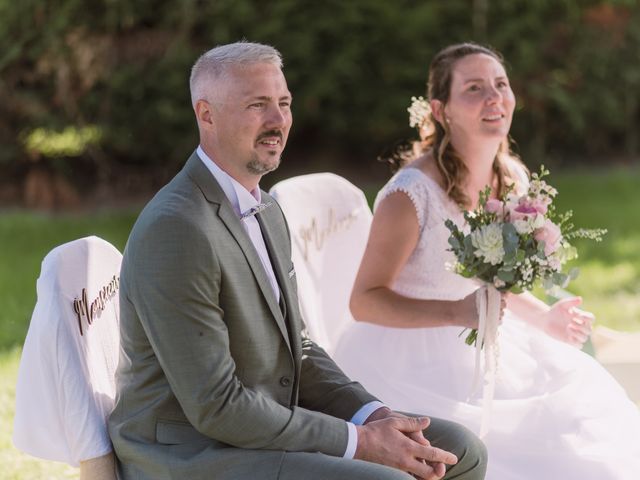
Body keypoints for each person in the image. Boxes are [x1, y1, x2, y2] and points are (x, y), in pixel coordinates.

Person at [107, 41, 488, 480]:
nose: (278, 121)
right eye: (258, 105)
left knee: (462, 450)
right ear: (206, 115)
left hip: (264, 424)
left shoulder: (265, 209)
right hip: (195, 452)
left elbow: (298, 348)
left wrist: (375, 416)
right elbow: (217, 407)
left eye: (284, 103)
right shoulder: (176, 228)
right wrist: (360, 443)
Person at [333, 42, 640, 479]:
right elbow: (364, 301)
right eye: (474, 88)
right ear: (442, 111)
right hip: (405, 358)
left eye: (500, 84)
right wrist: (456, 313)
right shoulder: (410, 194)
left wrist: (545, 318)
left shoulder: (511, 176)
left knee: (581, 413)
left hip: (485, 337)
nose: (494, 97)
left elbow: (492, 285)